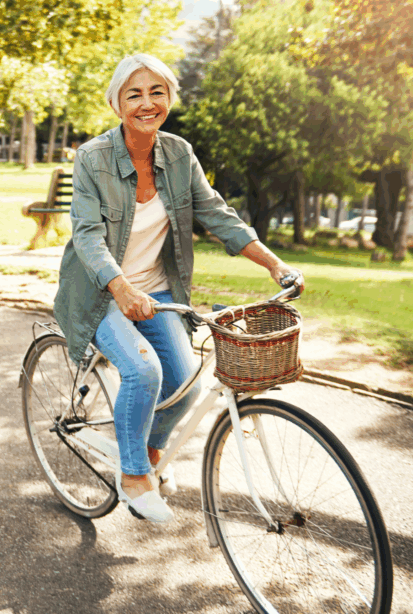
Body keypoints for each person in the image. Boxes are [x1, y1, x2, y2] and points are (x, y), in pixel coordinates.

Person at [53, 54, 304, 524]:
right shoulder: (92, 158)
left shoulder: (178, 153)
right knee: (143, 373)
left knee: (187, 385)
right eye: (134, 94)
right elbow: (87, 235)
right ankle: (131, 479)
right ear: (116, 104)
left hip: (159, 291)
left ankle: (147, 455)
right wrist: (122, 289)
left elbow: (215, 213)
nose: (147, 104)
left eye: (157, 93)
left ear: (169, 98)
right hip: (100, 292)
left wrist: (274, 264)